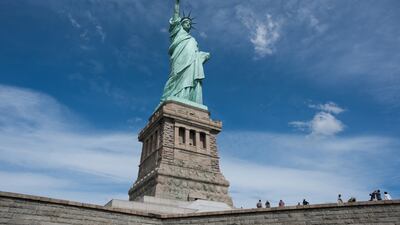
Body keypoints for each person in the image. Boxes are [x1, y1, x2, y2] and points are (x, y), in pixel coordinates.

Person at [161, 0, 210, 105]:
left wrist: (202, 56)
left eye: (189, 23)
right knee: (176, 76)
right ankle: (173, 96)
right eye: (186, 22)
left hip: (192, 59)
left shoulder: (192, 39)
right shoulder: (177, 31)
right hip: (179, 57)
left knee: (189, 76)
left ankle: (187, 98)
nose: (188, 24)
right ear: (181, 24)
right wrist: (177, 4)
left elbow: (196, 52)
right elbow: (175, 16)